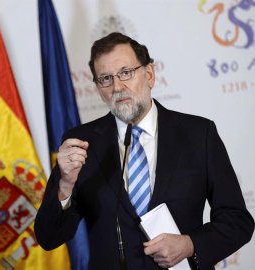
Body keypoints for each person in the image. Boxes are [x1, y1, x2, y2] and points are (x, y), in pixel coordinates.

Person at [34, 32, 254, 270]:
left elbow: (238, 220)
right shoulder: (80, 143)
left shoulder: (199, 134)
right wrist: (65, 184)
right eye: (105, 79)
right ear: (98, 87)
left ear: (149, 74)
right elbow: (49, 238)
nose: (117, 87)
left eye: (126, 73)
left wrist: (190, 244)